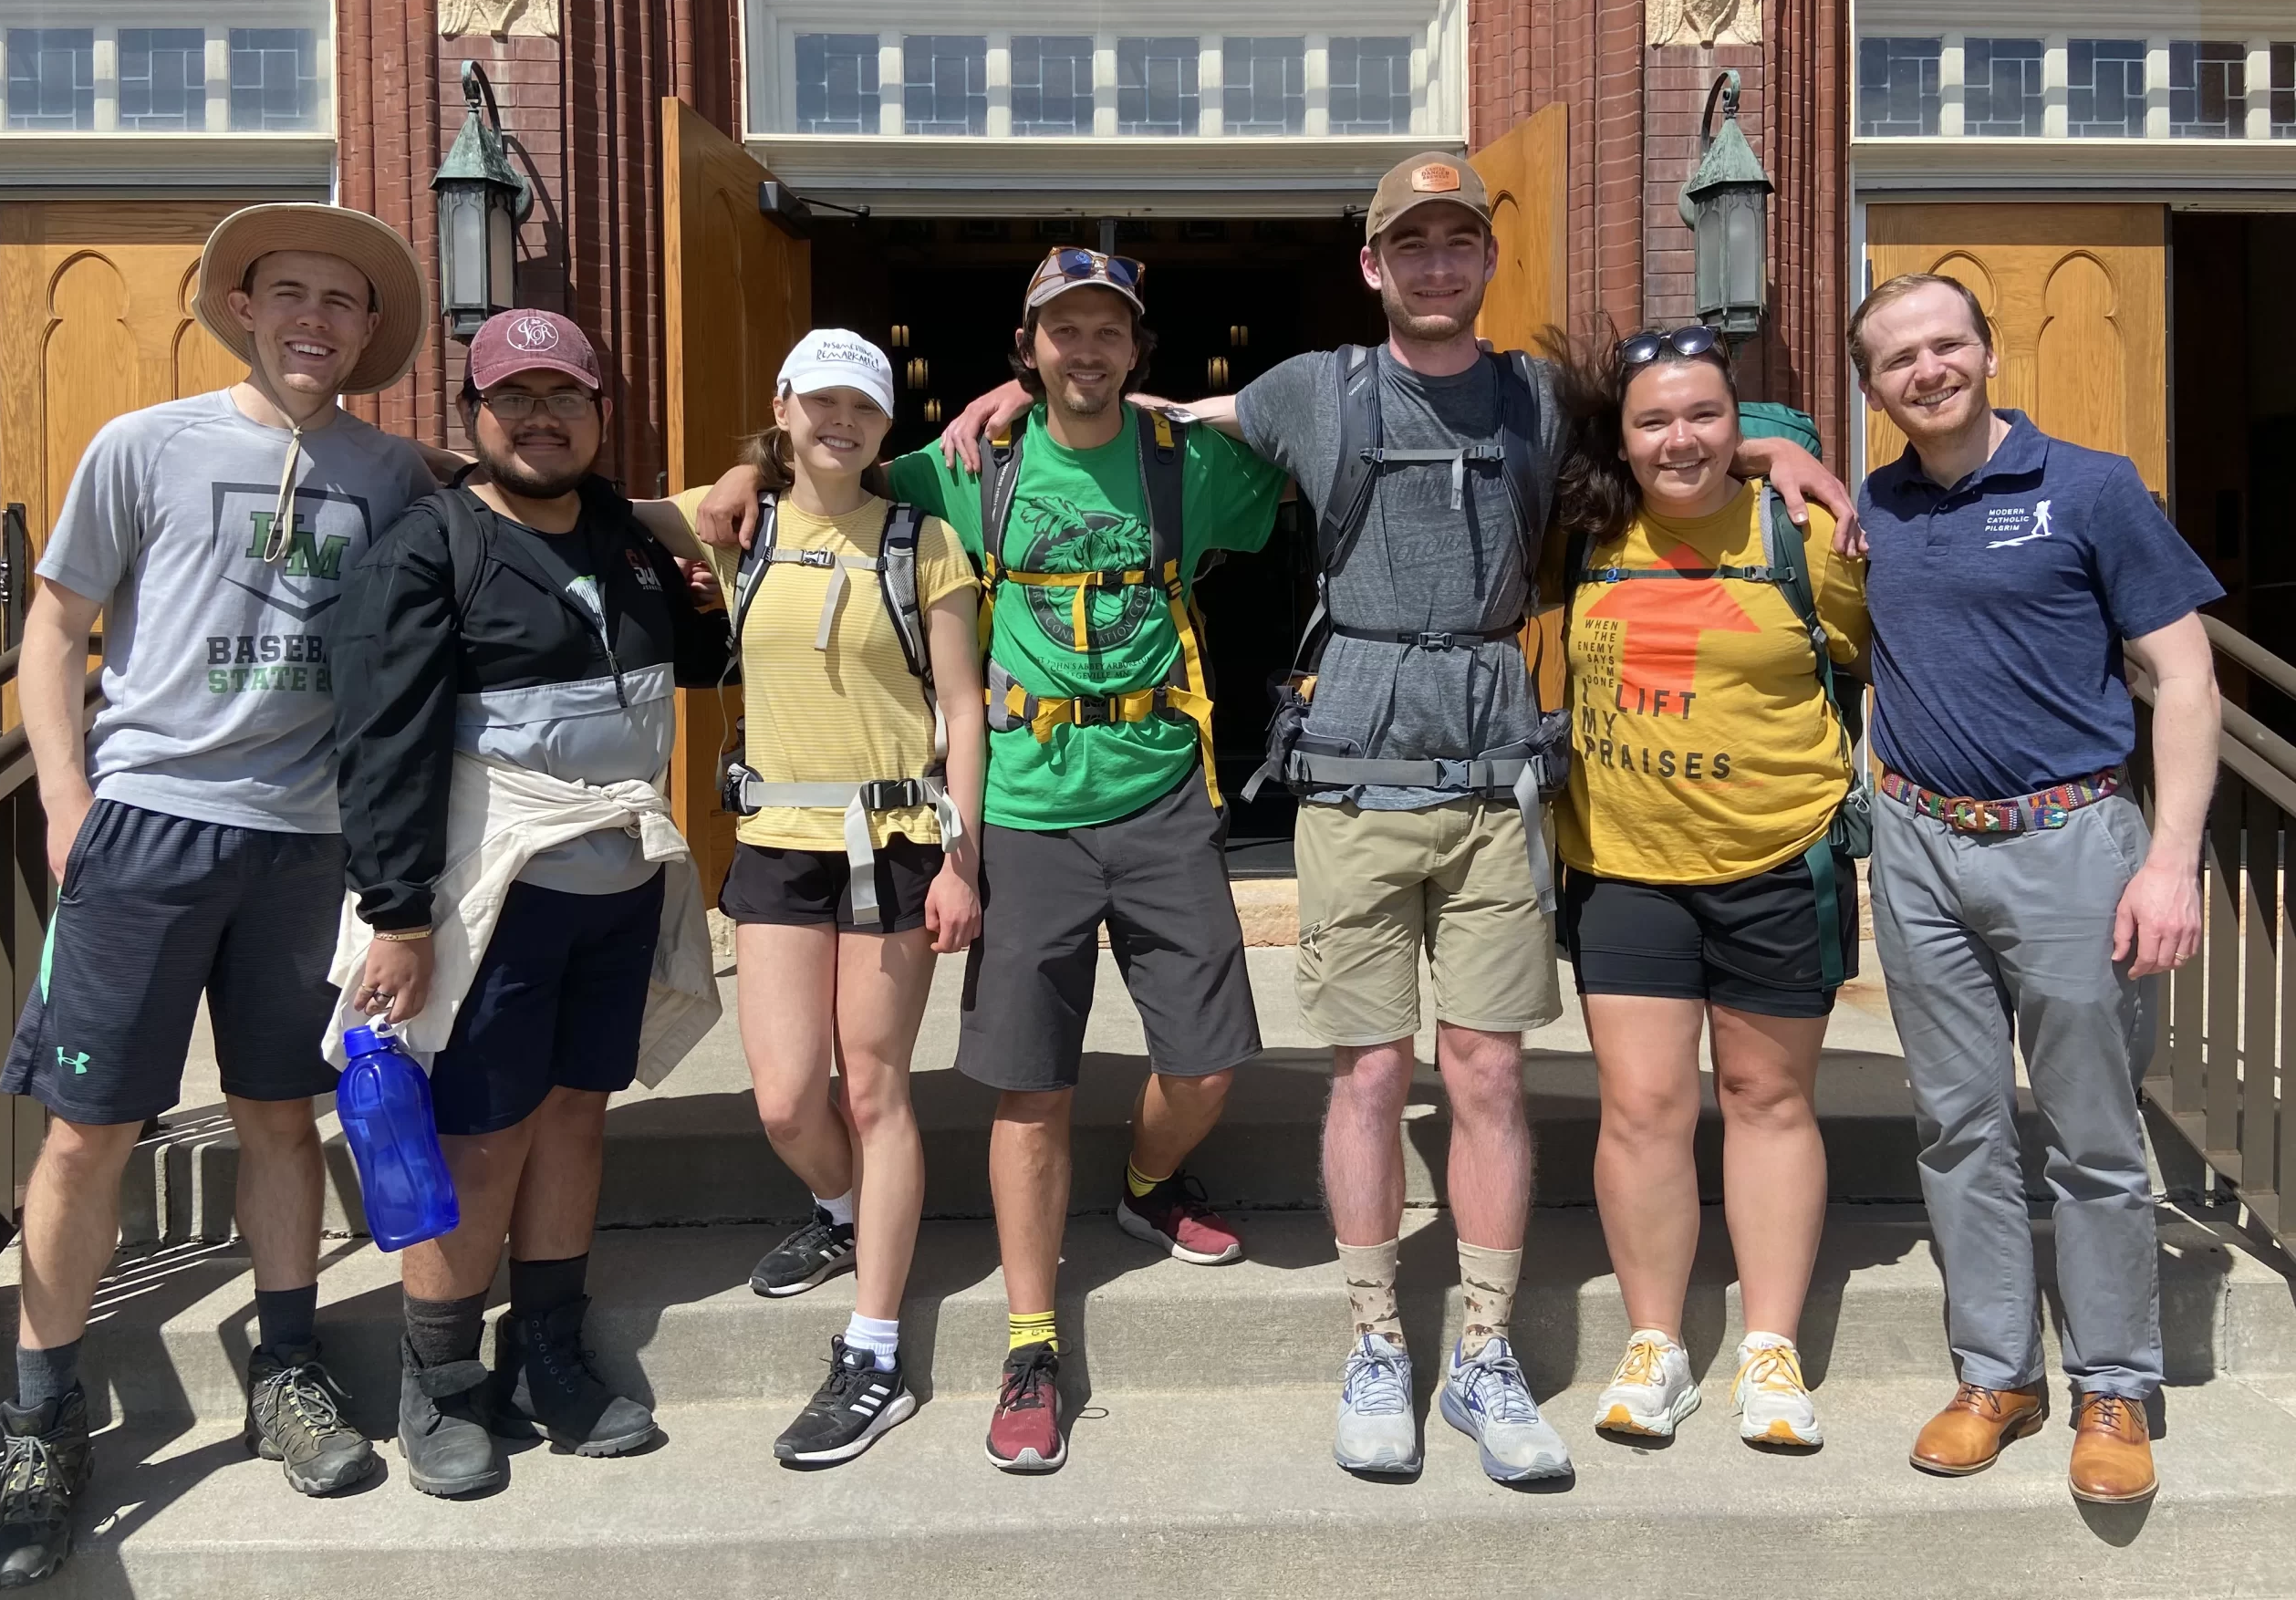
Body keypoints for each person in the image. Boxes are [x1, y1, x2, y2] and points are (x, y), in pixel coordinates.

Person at [929, 152, 1857, 1484]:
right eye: (1408, 245)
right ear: (1373, 265)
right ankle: (1376, 1341)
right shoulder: (1315, 387)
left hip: (1491, 773)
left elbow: (1673, 442)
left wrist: (1772, 441)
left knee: (1483, 1070)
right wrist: (1015, 387)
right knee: (1366, 1070)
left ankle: (1481, 1352)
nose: (1435, 265)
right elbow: (1144, 411)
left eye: (1458, 242)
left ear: (1486, 260)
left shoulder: (1540, 397)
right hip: (1356, 766)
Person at [696, 254, 1287, 1474]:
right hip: (1022, 803)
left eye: (1107, 332)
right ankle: (1030, 1341)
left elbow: (1319, 443)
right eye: (1061, 331)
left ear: (1138, 347)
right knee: (1029, 1084)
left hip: (1166, 790)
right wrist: (739, 473)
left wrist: (1208, 412)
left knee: (1214, 1062)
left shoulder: (1192, 468)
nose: (1085, 351)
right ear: (1027, 347)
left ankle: (1141, 1180)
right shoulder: (971, 465)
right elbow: (825, 466)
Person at [0, 203, 442, 1587]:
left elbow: (535, 504)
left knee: (281, 1118)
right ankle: (41, 1420)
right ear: (243, 305)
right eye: (289, 293)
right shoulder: (148, 446)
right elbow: (55, 628)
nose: (315, 319)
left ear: (370, 332)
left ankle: (285, 1366)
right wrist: (68, 802)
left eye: (343, 302)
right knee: (86, 1136)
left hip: (312, 848)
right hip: (151, 831)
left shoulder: (393, 472)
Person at [328, 308, 731, 1499]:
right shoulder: (423, 552)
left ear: (603, 416)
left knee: (574, 1119)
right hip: (486, 894)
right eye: (515, 399)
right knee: (482, 1135)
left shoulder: (629, 541)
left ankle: (549, 1350)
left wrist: (712, 561)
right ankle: (441, 1382)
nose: (541, 418)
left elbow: (694, 661)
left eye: (566, 398)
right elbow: (380, 745)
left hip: (614, 882)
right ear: (472, 417)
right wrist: (397, 915)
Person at [1852, 273, 2220, 1507]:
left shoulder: (2095, 487)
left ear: (1988, 348)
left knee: (2094, 1136)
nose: (1927, 369)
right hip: (1920, 846)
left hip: (2070, 845)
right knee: (1958, 1126)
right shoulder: (1879, 504)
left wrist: (2170, 860)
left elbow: (2184, 681)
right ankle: (1995, 1373)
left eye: (1945, 344)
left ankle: (2114, 1383)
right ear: (1874, 389)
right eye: (1897, 358)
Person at [635, 330, 985, 1466]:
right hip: (778, 838)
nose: (841, 423)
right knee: (787, 1100)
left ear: (887, 430)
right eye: (819, 402)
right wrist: (737, 479)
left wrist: (963, 860)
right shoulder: (738, 523)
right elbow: (593, 506)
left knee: (874, 1091)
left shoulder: (922, 541)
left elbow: (966, 708)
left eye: (864, 410)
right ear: (782, 407)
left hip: (891, 839)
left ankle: (874, 1350)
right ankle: (843, 1217)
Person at [1545, 322, 1869, 1451]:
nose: (1679, 438)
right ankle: (1658, 1344)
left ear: (1740, 424)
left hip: (1777, 857)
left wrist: (1783, 456)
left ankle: (1770, 1348)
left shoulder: (1805, 535)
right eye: (1653, 420)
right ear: (1619, 439)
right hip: (1625, 864)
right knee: (1641, 1108)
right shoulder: (1581, 534)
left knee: (1767, 1099)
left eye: (1705, 416)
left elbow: (1891, 650)